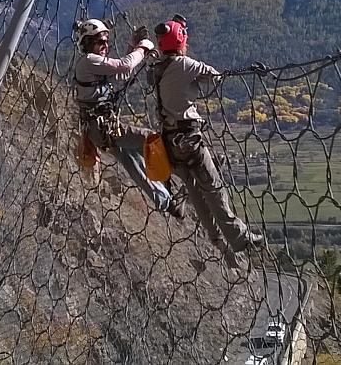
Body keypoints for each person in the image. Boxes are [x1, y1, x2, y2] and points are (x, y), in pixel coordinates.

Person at [151, 14, 264, 270]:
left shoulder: (157, 68)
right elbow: (214, 77)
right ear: (181, 40)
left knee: (196, 194)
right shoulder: (183, 64)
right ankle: (240, 237)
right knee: (214, 189)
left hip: (169, 142)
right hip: (189, 139)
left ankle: (217, 241)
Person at [74, 18, 184, 218]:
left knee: (134, 162)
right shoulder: (90, 61)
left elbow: (120, 74)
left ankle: (167, 202)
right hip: (103, 128)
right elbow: (124, 67)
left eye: (106, 41)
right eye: (101, 42)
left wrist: (132, 46)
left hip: (100, 129)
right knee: (150, 139)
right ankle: (185, 170)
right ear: (89, 43)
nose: (105, 46)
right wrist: (142, 48)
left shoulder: (91, 65)